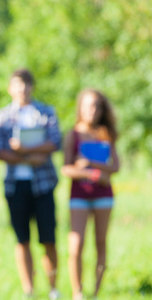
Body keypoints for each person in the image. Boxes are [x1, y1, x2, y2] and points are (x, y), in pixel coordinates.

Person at [0, 69, 61, 299]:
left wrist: (22, 150)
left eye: (27, 85)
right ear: (10, 88)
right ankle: (29, 290)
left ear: (32, 87)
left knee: (48, 238)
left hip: (43, 185)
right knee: (22, 240)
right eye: (18, 85)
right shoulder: (1, 117)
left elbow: (54, 141)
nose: (23, 89)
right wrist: (30, 157)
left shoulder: (45, 112)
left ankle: (53, 288)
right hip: (15, 186)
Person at [61, 89, 120, 300]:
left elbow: (116, 166)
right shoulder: (73, 134)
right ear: (80, 108)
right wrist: (90, 173)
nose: (92, 111)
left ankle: (96, 292)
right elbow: (66, 168)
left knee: (101, 242)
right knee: (76, 245)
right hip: (79, 195)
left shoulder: (106, 133)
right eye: (88, 106)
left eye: (96, 106)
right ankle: (78, 292)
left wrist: (91, 165)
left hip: (104, 195)